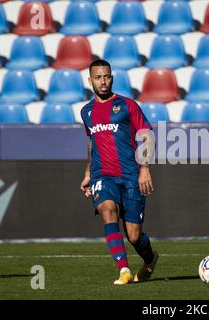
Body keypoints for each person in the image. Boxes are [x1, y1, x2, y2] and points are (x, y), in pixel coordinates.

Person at [80, 59, 158, 285]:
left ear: (112, 78)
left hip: (131, 175)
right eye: (98, 77)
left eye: (106, 76)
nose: (103, 82)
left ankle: (150, 259)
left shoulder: (127, 105)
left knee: (134, 236)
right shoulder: (86, 112)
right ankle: (123, 269)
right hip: (102, 175)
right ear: (90, 80)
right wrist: (88, 172)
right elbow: (92, 142)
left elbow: (146, 136)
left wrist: (144, 169)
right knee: (107, 210)